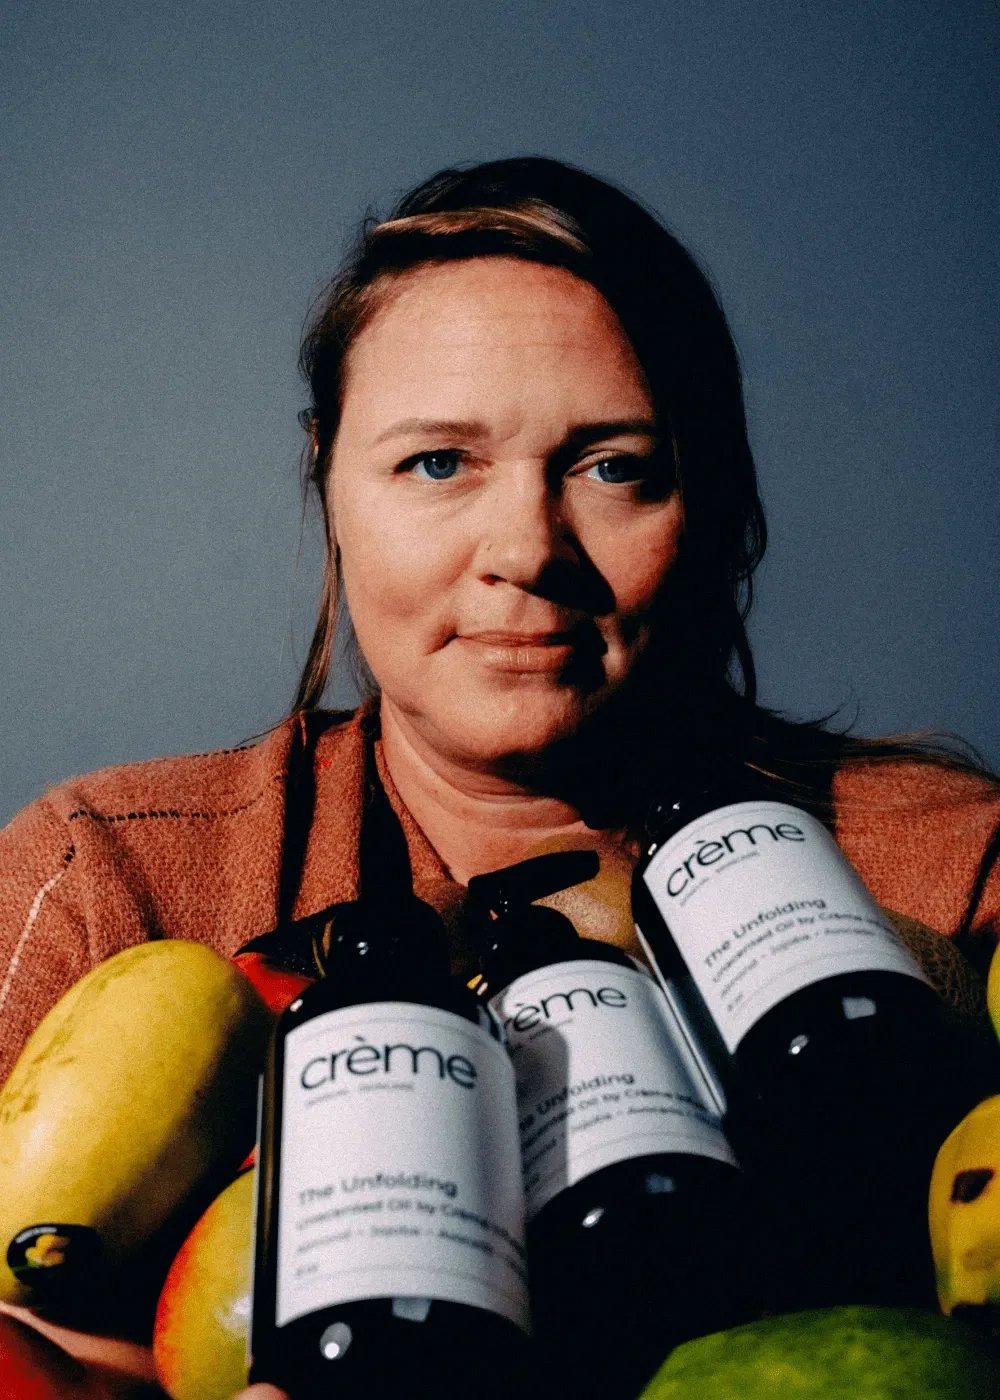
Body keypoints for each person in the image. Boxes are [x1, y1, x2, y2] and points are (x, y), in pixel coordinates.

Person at [1, 156, 999, 1399]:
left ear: (713, 496)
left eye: (614, 465)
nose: (526, 549)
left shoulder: (955, 870)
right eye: (437, 462)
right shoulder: (109, 878)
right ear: (327, 480)